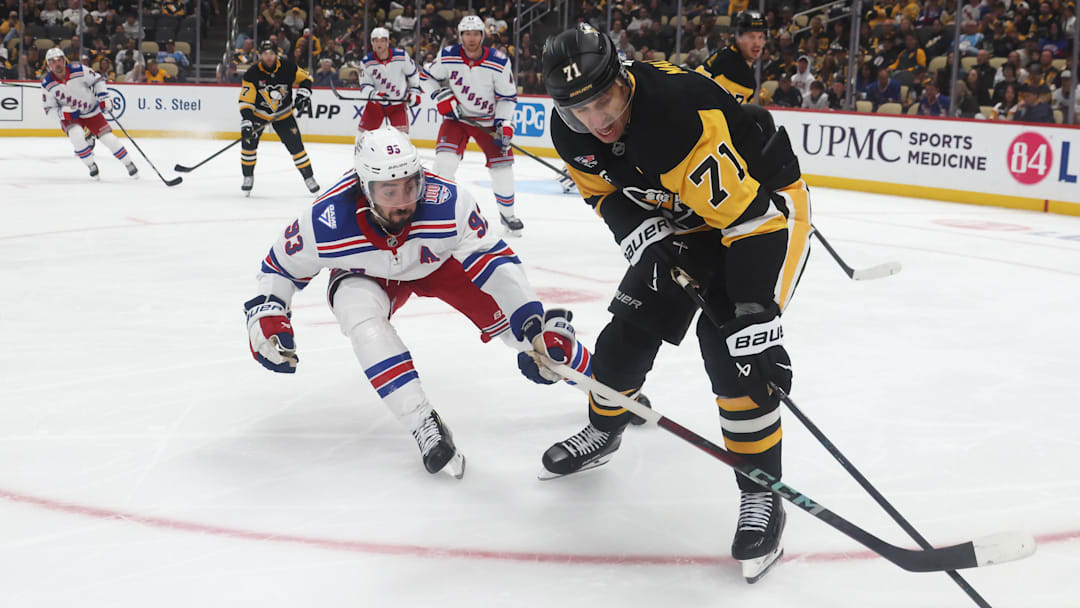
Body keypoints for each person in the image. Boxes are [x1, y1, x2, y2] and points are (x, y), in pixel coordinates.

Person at [542, 23, 811, 584]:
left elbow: (751, 222)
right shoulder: (571, 132)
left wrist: (756, 317)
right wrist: (645, 233)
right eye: (579, 109)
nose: (598, 120)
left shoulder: (674, 119)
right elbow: (605, 194)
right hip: (683, 218)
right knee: (623, 340)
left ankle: (763, 495)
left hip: (761, 218)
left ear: (624, 80)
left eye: (606, 99)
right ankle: (605, 427)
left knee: (736, 359)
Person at [243, 126, 594, 479]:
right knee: (359, 317)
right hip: (368, 275)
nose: (403, 201)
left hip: (440, 264)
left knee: (527, 336)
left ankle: (601, 382)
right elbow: (277, 269)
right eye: (389, 190)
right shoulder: (325, 219)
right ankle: (422, 422)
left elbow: (494, 263)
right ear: (364, 188)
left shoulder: (450, 202)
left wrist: (532, 325)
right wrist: (268, 315)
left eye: (410, 185)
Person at [420, 15, 523, 235]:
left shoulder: (499, 60)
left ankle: (508, 215)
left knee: (503, 168)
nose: (471, 38)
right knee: (444, 163)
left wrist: (504, 123)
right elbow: (425, 77)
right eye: (467, 34)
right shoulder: (448, 56)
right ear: (460, 36)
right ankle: (441, 213)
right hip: (457, 119)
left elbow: (507, 97)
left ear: (483, 36)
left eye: (476, 33)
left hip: (488, 121)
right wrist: (440, 96)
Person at [40, 47, 137, 179]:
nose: (56, 64)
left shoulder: (78, 69)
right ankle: (91, 165)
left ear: (64, 60)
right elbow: (49, 109)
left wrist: (103, 97)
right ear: (48, 65)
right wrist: (65, 113)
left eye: (59, 60)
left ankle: (128, 163)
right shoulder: (47, 84)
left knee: (109, 140)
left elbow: (97, 80)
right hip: (71, 116)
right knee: (77, 135)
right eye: (52, 61)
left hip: (91, 110)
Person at [237, 40, 319, 196]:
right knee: (248, 146)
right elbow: (246, 99)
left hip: (283, 114)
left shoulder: (288, 67)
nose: (268, 57)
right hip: (258, 115)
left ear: (276, 54)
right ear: (259, 55)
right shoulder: (252, 73)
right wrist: (247, 121)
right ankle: (248, 176)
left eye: (271, 54)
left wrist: (303, 93)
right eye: (265, 54)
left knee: (297, 147)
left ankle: (309, 178)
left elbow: (306, 78)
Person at [355, 27, 422, 137]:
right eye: (375, 41)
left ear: (388, 42)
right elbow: (365, 85)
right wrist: (374, 95)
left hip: (398, 105)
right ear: (372, 43)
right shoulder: (366, 61)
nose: (379, 44)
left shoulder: (401, 56)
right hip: (375, 106)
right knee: (361, 137)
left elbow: (413, 73)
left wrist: (414, 91)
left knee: (403, 138)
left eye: (382, 40)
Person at [696, 10, 767, 103]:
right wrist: (755, 99)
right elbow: (730, 111)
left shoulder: (731, 55)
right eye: (751, 37)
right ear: (738, 37)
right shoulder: (731, 65)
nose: (757, 43)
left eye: (761, 37)